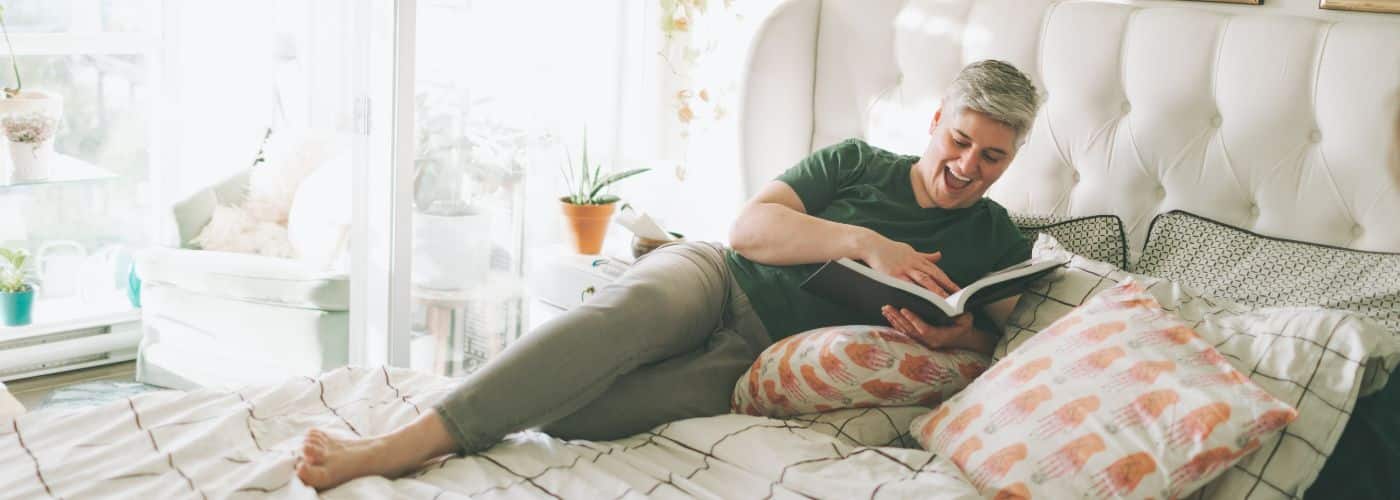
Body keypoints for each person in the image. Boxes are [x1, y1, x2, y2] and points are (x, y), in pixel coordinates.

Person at [296, 59, 1041, 489]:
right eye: (960, 140)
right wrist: (863, 243)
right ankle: (408, 441)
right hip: (716, 277)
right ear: (936, 118)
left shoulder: (994, 234)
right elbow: (749, 228)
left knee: (573, 411)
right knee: (611, 325)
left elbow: (999, 345)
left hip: (751, 359)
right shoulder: (854, 163)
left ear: (1014, 158)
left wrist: (957, 337)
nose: (967, 167)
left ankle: (472, 410)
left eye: (993, 157)